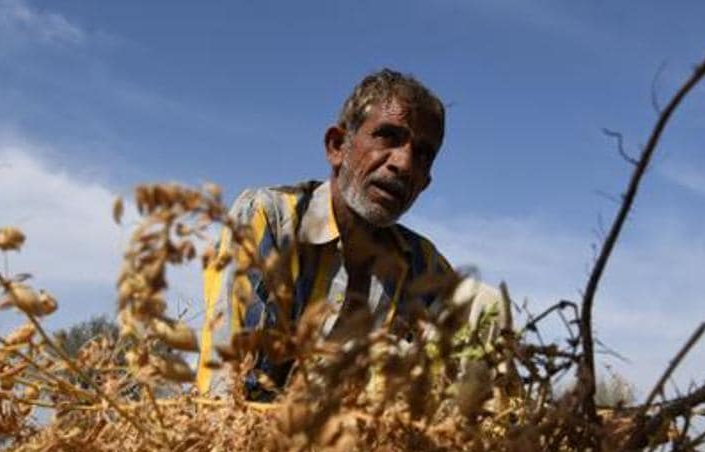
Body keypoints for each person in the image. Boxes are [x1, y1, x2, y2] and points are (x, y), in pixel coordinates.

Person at [196, 68, 496, 400]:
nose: (404, 163)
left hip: (365, 446)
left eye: (423, 155)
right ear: (338, 146)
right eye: (388, 136)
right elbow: (227, 383)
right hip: (258, 440)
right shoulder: (272, 218)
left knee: (485, 303)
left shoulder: (423, 264)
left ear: (425, 182)